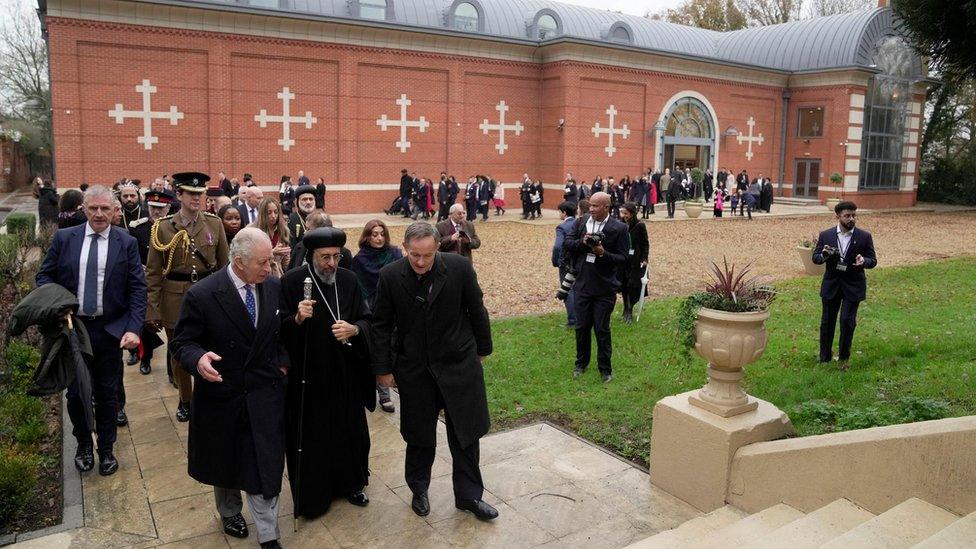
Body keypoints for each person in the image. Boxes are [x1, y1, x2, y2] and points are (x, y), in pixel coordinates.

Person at [371, 222, 498, 521]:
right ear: (404, 248)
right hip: (415, 369)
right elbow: (380, 325)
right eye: (414, 255)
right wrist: (383, 369)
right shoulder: (390, 276)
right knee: (419, 435)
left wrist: (483, 349)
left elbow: (476, 309)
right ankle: (419, 489)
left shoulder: (458, 268)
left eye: (427, 255)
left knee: (465, 433)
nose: (420, 262)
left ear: (437, 248)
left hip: (458, 363)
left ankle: (469, 496)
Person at [169, 228, 287, 549]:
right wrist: (198, 359)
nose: (269, 268)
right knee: (227, 462)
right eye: (263, 262)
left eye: (271, 261)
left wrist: (283, 361)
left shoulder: (274, 287)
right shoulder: (203, 294)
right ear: (238, 261)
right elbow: (183, 342)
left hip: (264, 392)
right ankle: (230, 511)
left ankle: (268, 535)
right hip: (223, 393)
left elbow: (282, 334)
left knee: (264, 464)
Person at [36, 185, 146, 476]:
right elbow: (44, 276)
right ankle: (83, 443)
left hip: (109, 332)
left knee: (107, 394)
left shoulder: (126, 242)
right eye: (93, 208)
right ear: (84, 209)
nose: (99, 214)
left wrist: (134, 328)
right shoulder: (64, 238)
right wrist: (57, 306)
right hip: (74, 330)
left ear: (114, 211)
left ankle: (106, 448)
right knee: (76, 394)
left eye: (105, 209)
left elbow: (137, 288)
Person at [279, 227, 374, 518]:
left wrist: (355, 329)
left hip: (345, 375)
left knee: (349, 432)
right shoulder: (292, 281)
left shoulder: (349, 279)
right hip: (308, 376)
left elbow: (368, 319)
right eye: (325, 257)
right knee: (313, 438)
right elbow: (277, 328)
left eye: (335, 256)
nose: (331, 263)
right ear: (311, 256)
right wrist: (296, 318)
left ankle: (353, 484)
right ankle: (314, 496)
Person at [146, 172, 229, 422]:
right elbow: (152, 273)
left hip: (208, 294)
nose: (196, 198)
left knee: (212, 347)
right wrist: (153, 309)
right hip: (175, 298)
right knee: (179, 353)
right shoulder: (163, 227)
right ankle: (185, 399)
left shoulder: (214, 224)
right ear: (179, 195)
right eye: (191, 193)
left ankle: (211, 394)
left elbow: (225, 266)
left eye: (199, 194)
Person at [562, 192, 628, 382]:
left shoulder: (619, 228)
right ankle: (580, 364)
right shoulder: (581, 221)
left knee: (601, 329)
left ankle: (605, 369)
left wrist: (602, 253)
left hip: (604, 288)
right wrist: (583, 243)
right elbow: (568, 243)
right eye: (590, 205)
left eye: (595, 206)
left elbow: (623, 258)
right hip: (582, 285)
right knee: (581, 328)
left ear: (606, 207)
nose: (590, 209)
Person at [813, 201, 877, 370]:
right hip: (831, 284)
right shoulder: (826, 235)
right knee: (827, 322)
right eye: (847, 216)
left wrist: (864, 261)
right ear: (838, 217)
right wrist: (825, 255)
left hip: (853, 284)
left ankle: (843, 357)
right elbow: (816, 258)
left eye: (854, 215)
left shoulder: (864, 236)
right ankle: (824, 358)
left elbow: (873, 260)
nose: (851, 219)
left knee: (847, 321)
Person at [351, 219, 403, 414]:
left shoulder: (395, 253)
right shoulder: (360, 260)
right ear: (367, 236)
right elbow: (357, 289)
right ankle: (383, 394)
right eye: (374, 234)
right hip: (371, 305)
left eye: (382, 233)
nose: (379, 238)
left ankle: (395, 381)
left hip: (393, 302)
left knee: (394, 343)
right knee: (377, 345)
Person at [128, 189, 174, 376]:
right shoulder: (137, 228)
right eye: (153, 207)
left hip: (170, 282)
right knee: (147, 322)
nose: (156, 211)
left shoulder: (175, 227)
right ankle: (145, 358)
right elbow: (131, 256)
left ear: (168, 207)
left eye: (160, 208)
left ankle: (173, 369)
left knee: (173, 326)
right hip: (146, 281)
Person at [619, 203, 648, 324]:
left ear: (632, 213)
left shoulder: (640, 226)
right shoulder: (621, 225)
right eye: (622, 213)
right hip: (624, 259)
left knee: (633, 285)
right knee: (624, 285)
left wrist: (644, 258)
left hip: (636, 261)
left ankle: (630, 309)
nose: (624, 215)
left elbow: (645, 243)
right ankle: (626, 308)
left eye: (626, 213)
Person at [250, 198, 292, 278]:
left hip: (278, 275)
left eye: (276, 212)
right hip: (258, 274)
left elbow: (286, 263)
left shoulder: (284, 230)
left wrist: (287, 254)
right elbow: (251, 258)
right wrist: (272, 252)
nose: (273, 216)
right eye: (269, 213)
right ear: (262, 214)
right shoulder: (252, 230)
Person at [552, 201, 578, 329]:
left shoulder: (562, 227)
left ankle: (573, 320)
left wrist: (556, 261)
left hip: (566, 263)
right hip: (579, 262)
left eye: (559, 212)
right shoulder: (581, 223)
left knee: (567, 290)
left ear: (564, 212)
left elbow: (558, 246)